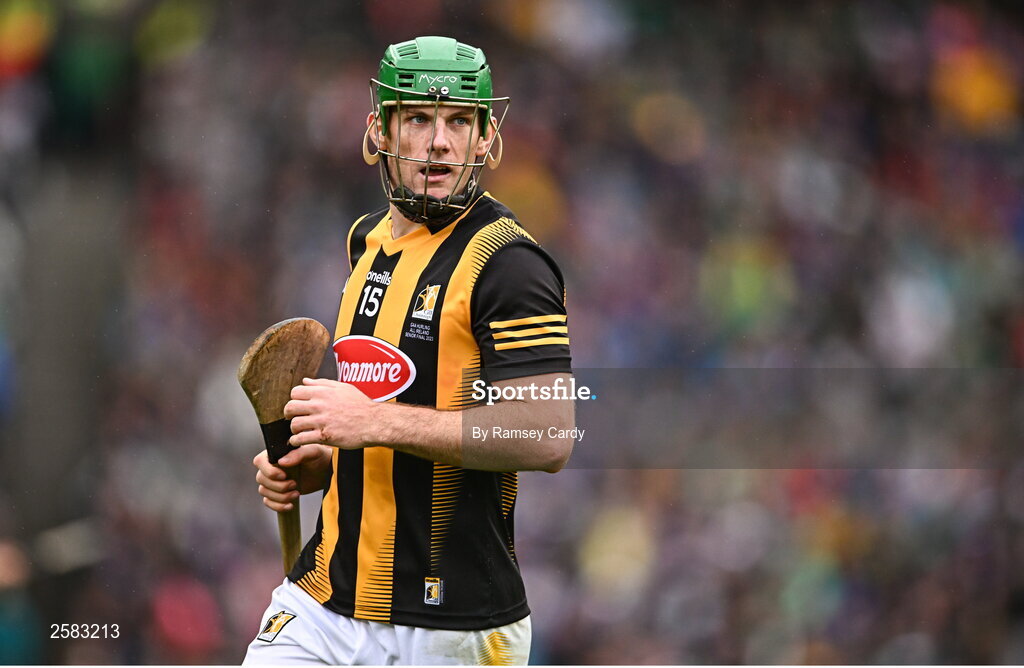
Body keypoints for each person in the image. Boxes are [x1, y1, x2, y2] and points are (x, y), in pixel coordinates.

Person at [244, 36, 574, 665]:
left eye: (458, 122)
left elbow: (548, 435)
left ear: (484, 139)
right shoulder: (364, 244)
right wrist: (318, 461)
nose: (440, 142)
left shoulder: (509, 264)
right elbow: (381, 411)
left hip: (454, 627)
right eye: (419, 118)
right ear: (379, 133)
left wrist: (372, 422)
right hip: (325, 600)